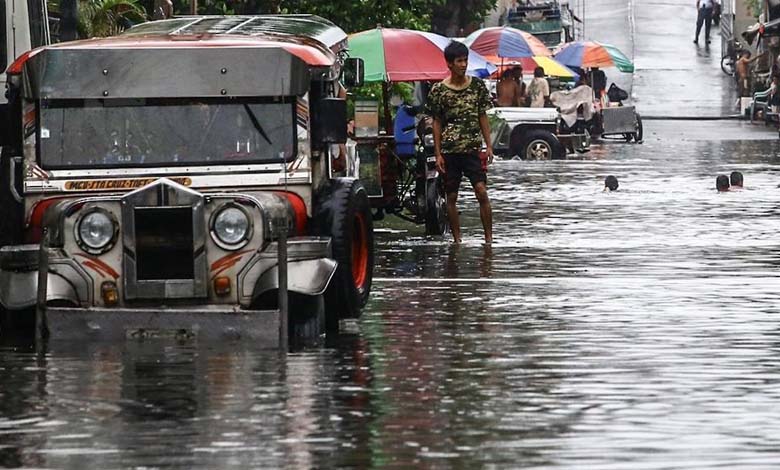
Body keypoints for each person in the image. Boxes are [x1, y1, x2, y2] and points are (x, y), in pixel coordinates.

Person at [426, 41, 494, 244]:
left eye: (465, 60)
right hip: (449, 150)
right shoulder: (439, 90)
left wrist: (488, 145)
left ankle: (488, 239)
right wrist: (438, 153)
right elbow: (436, 122)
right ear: (449, 64)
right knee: (451, 196)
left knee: (481, 191)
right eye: (459, 61)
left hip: (472, 149)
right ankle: (457, 240)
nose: (463, 64)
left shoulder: (477, 86)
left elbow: (482, 116)